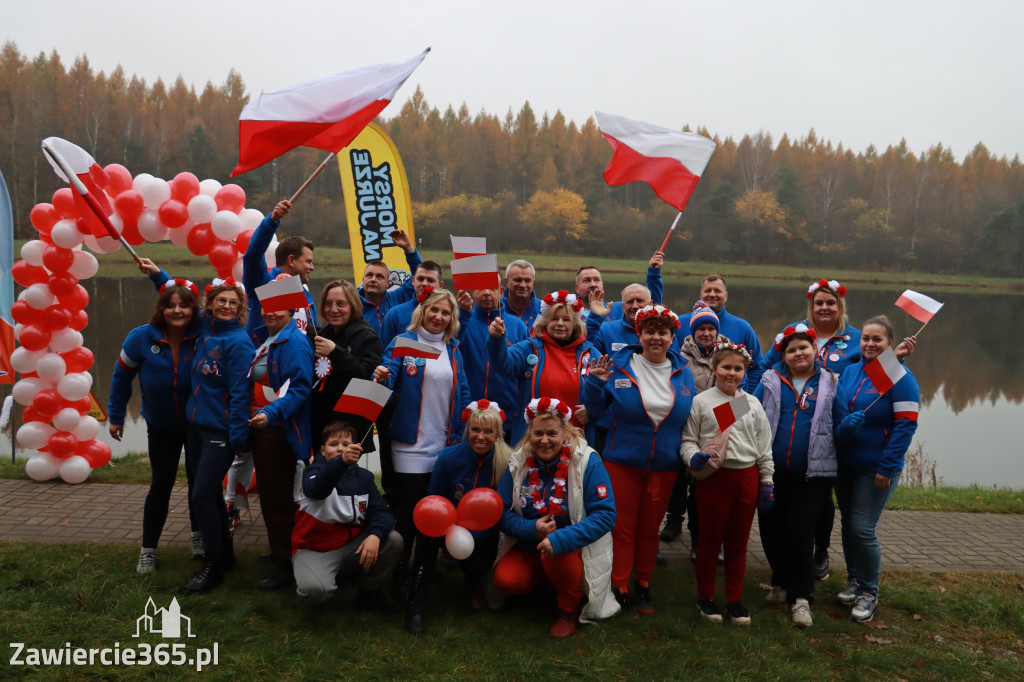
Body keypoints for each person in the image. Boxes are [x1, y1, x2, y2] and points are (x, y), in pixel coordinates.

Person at [583, 304, 695, 616]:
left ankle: (643, 583)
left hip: (665, 466)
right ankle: (620, 586)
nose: (656, 337)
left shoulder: (684, 372)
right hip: (623, 462)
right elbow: (592, 411)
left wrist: (739, 407)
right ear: (639, 333)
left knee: (649, 529)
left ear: (673, 337)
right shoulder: (619, 366)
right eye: (650, 331)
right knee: (622, 527)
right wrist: (594, 383)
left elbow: (693, 418)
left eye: (663, 332)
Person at [492, 398, 619, 638]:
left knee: (556, 557)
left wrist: (560, 539)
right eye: (538, 433)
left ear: (566, 432)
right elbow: (501, 511)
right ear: (529, 433)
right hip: (530, 543)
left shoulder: (586, 461)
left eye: (552, 433)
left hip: (570, 548)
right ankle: (546, 585)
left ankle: (568, 610)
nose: (544, 440)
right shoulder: (519, 460)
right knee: (507, 580)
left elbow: (606, 515)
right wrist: (532, 528)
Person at [373, 289, 470, 587]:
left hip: (444, 446)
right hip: (410, 445)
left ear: (452, 318)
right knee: (410, 513)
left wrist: (467, 424)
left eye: (445, 312)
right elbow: (390, 375)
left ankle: (423, 572)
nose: (439, 317)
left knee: (435, 511)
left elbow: (462, 391)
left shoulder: (452, 348)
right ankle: (398, 571)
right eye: (434, 310)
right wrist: (382, 375)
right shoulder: (405, 342)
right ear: (422, 311)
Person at [108, 277, 202, 573]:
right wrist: (115, 416)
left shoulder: (206, 334)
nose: (177, 311)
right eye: (170, 306)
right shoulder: (140, 338)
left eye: (184, 305)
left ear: (193, 309)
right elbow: (121, 377)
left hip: (199, 423)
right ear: (160, 309)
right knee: (161, 485)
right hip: (160, 424)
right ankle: (148, 549)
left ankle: (199, 537)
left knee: (199, 484)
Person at [754, 324, 844, 627]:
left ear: (815, 350)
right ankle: (780, 580)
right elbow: (746, 410)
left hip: (812, 476)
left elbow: (841, 421)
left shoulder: (831, 382)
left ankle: (801, 598)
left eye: (803, 347)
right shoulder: (769, 380)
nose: (798, 353)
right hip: (771, 472)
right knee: (771, 532)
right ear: (784, 355)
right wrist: (716, 412)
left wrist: (852, 427)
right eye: (791, 350)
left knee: (800, 535)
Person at [834, 315, 920, 623]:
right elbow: (839, 411)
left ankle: (870, 591)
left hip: (876, 468)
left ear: (889, 344)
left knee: (862, 528)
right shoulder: (851, 371)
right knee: (847, 525)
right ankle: (854, 580)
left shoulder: (902, 378)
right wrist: (843, 428)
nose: (870, 344)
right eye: (865, 339)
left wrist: (888, 466)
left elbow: (906, 425)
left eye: (877, 340)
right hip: (846, 465)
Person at [680, 343, 774, 625]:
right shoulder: (701, 401)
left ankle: (734, 599)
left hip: (746, 478)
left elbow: (763, 445)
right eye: (726, 367)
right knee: (710, 541)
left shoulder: (751, 402)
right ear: (714, 369)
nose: (732, 373)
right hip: (713, 479)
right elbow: (688, 439)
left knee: (738, 543)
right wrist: (691, 456)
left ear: (745, 372)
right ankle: (706, 598)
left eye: (738, 368)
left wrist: (767, 480)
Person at [404, 401, 512, 635]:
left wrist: (475, 535)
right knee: (425, 538)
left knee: (478, 563)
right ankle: (417, 602)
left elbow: (502, 509)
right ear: (467, 430)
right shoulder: (448, 457)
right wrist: (445, 527)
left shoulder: (507, 461)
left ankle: (473, 583)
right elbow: (433, 497)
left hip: (483, 531)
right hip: (446, 526)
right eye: (475, 429)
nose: (481, 436)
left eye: (488, 431)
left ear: (498, 434)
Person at [183, 281, 255, 592]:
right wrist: (156, 274)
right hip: (197, 425)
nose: (227, 306)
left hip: (221, 432)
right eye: (221, 301)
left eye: (233, 303)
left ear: (240, 310)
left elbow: (241, 394)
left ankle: (213, 566)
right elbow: (176, 297)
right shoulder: (206, 329)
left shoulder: (239, 343)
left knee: (201, 495)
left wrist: (238, 437)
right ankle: (225, 556)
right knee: (208, 494)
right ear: (210, 304)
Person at [246, 284, 315, 591]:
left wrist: (271, 413)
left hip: (278, 429)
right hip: (265, 426)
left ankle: (286, 565)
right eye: (265, 306)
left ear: (290, 311)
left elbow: (300, 389)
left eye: (277, 307)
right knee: (274, 496)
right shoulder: (271, 336)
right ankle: (281, 550)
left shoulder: (295, 344)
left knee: (278, 499)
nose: (269, 312)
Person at [292, 421, 403, 607]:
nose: (340, 449)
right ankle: (322, 574)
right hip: (316, 548)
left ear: (356, 449)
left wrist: (375, 535)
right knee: (315, 593)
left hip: (351, 546)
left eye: (346, 445)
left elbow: (382, 512)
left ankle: (369, 592)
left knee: (394, 540)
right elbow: (317, 489)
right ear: (322, 449)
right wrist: (340, 463)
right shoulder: (312, 472)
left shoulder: (365, 478)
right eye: (333, 444)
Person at [661, 301, 729, 553]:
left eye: (711, 328)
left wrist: (722, 420)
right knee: (679, 477)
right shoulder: (679, 355)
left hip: (716, 426)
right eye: (701, 329)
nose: (707, 333)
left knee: (704, 484)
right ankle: (675, 519)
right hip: (684, 423)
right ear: (693, 332)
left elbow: (738, 394)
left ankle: (700, 536)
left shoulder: (729, 353)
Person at [487, 290, 598, 445]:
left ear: (575, 324)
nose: (560, 323)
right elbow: (503, 365)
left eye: (566, 319)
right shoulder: (530, 348)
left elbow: (609, 392)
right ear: (545, 322)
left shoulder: (590, 353)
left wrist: (593, 409)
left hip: (575, 441)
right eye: (554, 319)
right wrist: (497, 340)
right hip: (531, 440)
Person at [310, 279, 382, 451]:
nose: (333, 310)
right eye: (328, 304)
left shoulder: (366, 336)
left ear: (353, 305)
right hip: (320, 425)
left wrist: (335, 352)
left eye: (340, 304)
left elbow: (365, 374)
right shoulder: (321, 334)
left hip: (349, 430)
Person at [455, 284, 530, 436]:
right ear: (473, 290)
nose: (487, 293)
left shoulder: (518, 326)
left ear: (502, 291)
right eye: (481, 288)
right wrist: (462, 314)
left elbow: (527, 370)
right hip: (469, 415)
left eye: (493, 289)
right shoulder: (460, 322)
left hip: (509, 417)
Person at [242, 200, 317, 343]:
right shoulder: (265, 284)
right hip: (265, 363)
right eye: (308, 261)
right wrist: (272, 221)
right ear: (291, 260)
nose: (312, 267)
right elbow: (253, 255)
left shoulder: (308, 299)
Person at [675, 275, 764, 390]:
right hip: (691, 402)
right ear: (701, 295)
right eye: (708, 290)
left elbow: (757, 368)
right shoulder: (680, 323)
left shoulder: (743, 327)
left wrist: (745, 396)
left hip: (733, 402)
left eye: (717, 291)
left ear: (725, 296)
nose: (712, 294)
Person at [356, 229, 421, 336]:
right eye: (369, 275)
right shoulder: (353, 306)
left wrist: (408, 248)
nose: (373, 279)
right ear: (363, 280)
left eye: (379, 276)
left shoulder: (398, 298)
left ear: (388, 283)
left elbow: (419, 274)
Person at [574, 251, 664, 321]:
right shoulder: (568, 312)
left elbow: (652, 306)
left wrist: (654, 273)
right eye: (586, 281)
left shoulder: (620, 309)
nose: (593, 284)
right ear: (577, 288)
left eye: (596, 280)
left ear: (602, 285)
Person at [379, 260, 445, 348]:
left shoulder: (448, 315)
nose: (424, 284)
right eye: (420, 279)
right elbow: (384, 352)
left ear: (440, 285)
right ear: (413, 281)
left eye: (430, 280)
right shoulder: (395, 314)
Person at [501, 259, 541, 328]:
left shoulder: (544, 310)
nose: (523, 285)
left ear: (533, 282)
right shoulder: (496, 308)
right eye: (517, 280)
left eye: (527, 280)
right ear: (506, 281)